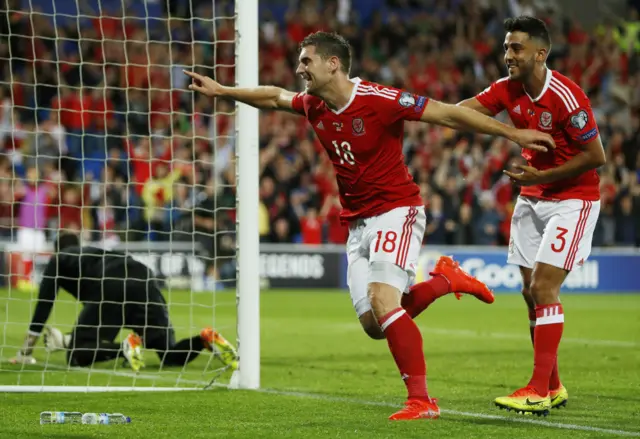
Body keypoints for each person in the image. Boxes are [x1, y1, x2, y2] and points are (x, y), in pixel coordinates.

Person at [184, 31, 555, 420]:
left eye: (306, 61)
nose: (299, 69)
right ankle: (447, 280)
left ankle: (422, 401)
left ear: (333, 64)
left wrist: (511, 133)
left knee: (382, 301)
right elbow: (274, 97)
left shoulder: (381, 100)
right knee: (375, 325)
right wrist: (224, 90)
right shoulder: (313, 105)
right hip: (357, 223)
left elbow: (447, 112)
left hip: (397, 209)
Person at [458, 16, 605, 415]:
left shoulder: (567, 98)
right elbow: (461, 112)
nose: (507, 55)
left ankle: (537, 389)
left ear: (541, 53)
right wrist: (418, 111)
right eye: (506, 47)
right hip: (531, 197)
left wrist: (545, 174)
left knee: (543, 290)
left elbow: (596, 157)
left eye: (516, 48)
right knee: (529, 295)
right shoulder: (508, 90)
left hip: (573, 199)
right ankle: (553, 386)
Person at [10, 232, 238, 372]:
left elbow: (44, 303)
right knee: (169, 355)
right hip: (145, 279)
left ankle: (125, 347)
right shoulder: (98, 254)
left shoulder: (59, 259)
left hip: (113, 284)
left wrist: (25, 351)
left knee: (77, 355)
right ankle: (204, 339)